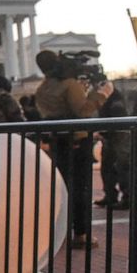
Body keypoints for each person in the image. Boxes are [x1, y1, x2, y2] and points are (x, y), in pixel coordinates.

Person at [34, 51, 113, 249]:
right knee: (81, 189)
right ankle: (81, 233)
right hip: (77, 142)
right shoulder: (69, 84)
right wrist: (101, 94)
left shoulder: (43, 88)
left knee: (63, 188)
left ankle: (61, 233)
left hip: (58, 142)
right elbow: (83, 110)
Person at [95, 89, 130, 210]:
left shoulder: (112, 98)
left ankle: (125, 197)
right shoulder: (111, 96)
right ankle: (112, 195)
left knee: (121, 165)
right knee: (109, 166)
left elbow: (118, 115)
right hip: (112, 133)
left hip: (117, 133)